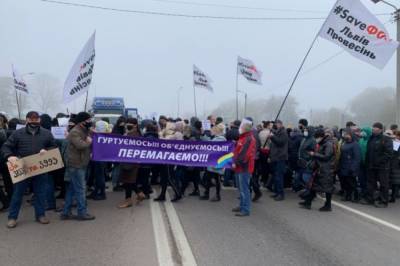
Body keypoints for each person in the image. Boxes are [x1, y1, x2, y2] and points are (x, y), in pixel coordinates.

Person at [2, 111, 56, 228]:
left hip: (40, 167)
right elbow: (6, 146)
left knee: (40, 193)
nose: (34, 121)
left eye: (36, 119)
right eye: (31, 119)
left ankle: (40, 215)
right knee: (17, 194)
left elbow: (54, 146)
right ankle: (12, 218)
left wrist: (47, 151)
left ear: (39, 120)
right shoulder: (18, 133)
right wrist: (9, 156)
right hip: (23, 167)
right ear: (27, 120)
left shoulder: (47, 134)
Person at [61, 112, 95, 221]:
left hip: (81, 163)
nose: (90, 122)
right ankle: (82, 213)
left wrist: (92, 134)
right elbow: (80, 145)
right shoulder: (75, 132)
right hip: (76, 165)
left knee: (71, 189)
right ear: (81, 122)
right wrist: (88, 141)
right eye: (88, 121)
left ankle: (65, 212)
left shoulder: (84, 130)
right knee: (81, 189)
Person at [300, 128, 336, 212]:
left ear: (320, 136)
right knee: (314, 186)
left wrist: (314, 154)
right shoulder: (323, 143)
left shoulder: (328, 144)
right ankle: (308, 202)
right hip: (320, 168)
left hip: (326, 169)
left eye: (317, 137)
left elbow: (326, 156)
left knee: (327, 188)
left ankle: (328, 205)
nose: (316, 139)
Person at [361, 122, 393, 208]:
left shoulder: (386, 139)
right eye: (373, 129)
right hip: (371, 166)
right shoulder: (371, 138)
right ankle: (370, 198)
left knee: (383, 184)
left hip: (382, 167)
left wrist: (378, 161)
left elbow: (389, 154)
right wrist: (367, 163)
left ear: (380, 130)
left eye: (376, 129)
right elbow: (368, 152)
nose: (374, 130)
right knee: (370, 183)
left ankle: (383, 201)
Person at [118, 118, 145, 208]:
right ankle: (139, 193)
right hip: (128, 160)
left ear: (135, 125)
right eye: (127, 123)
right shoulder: (130, 134)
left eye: (130, 124)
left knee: (128, 181)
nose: (127, 125)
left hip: (130, 161)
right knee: (129, 180)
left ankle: (128, 200)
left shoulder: (134, 135)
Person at [232, 118, 256, 217]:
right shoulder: (242, 138)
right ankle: (242, 205)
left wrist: (236, 163)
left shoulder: (249, 139)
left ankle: (245, 209)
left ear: (246, 128)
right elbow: (238, 151)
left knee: (244, 189)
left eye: (241, 126)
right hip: (239, 167)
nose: (240, 128)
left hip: (244, 168)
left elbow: (244, 155)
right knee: (240, 188)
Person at [200, 123, 226, 202]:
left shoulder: (218, 139)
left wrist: (203, 135)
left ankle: (207, 194)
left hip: (213, 162)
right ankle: (217, 195)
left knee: (209, 178)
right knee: (216, 179)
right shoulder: (222, 139)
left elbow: (210, 144)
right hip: (219, 162)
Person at [87, 120, 110, 201]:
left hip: (100, 158)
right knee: (97, 176)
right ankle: (96, 191)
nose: (94, 128)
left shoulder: (101, 136)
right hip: (96, 157)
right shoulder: (100, 135)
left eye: (96, 127)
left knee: (100, 176)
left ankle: (102, 193)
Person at [338, 129, 361, 202]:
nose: (346, 136)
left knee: (352, 183)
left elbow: (356, 157)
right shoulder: (345, 143)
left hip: (350, 167)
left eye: (347, 135)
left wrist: (353, 168)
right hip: (344, 166)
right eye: (345, 135)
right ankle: (347, 196)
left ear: (351, 136)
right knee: (346, 183)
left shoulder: (355, 144)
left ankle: (356, 196)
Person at [269, 120, 289, 201]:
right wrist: (272, 132)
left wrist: (272, 136)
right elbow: (276, 137)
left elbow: (280, 142)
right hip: (275, 157)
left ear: (280, 124)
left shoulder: (283, 133)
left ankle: (281, 194)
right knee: (276, 176)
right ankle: (277, 192)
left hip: (280, 157)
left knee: (279, 176)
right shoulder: (278, 131)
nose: (275, 125)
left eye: (276, 124)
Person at [295, 126, 316, 195]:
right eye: (304, 130)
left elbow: (313, 152)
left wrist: (308, 158)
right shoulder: (304, 139)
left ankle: (310, 193)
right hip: (301, 161)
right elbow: (300, 149)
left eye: (306, 130)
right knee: (298, 177)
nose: (305, 131)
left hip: (307, 162)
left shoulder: (313, 140)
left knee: (306, 178)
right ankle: (306, 190)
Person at [111, 116, 126, 192]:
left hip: (118, 151)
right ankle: (115, 184)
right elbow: (117, 138)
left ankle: (117, 183)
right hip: (117, 151)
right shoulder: (117, 129)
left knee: (117, 169)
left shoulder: (117, 128)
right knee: (117, 169)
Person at [390, 131, 400, 203]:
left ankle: (393, 196)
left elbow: (393, 153)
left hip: (395, 164)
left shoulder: (396, 143)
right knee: (396, 181)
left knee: (395, 181)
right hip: (396, 163)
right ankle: (395, 195)